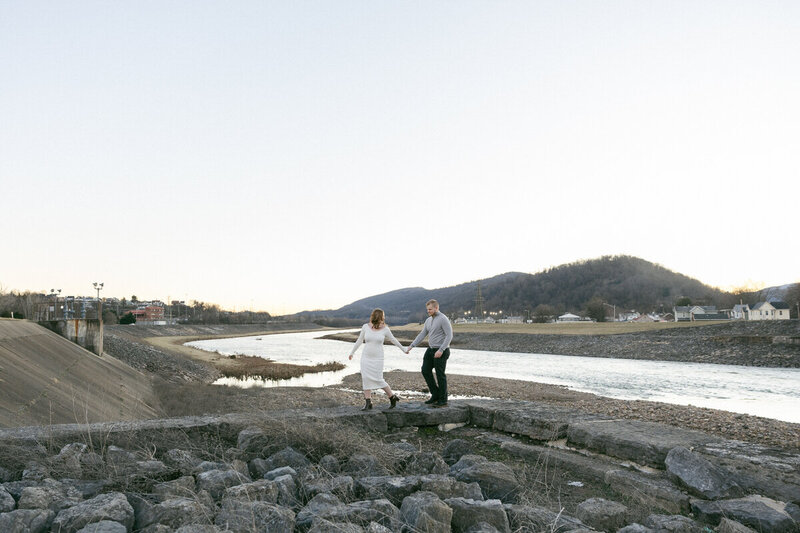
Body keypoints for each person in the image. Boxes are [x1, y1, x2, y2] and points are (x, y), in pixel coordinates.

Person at [348, 308, 406, 411]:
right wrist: (352, 352)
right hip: (366, 357)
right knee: (366, 378)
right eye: (380, 317)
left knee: (379, 379)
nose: (381, 319)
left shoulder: (385, 329)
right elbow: (359, 340)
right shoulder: (365, 327)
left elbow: (394, 340)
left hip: (378, 358)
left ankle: (392, 397)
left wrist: (404, 349)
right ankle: (368, 402)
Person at [406, 299, 453, 407]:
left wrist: (441, 350)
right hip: (430, 349)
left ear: (436, 308)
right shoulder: (428, 320)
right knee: (425, 370)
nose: (428, 311)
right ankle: (435, 394)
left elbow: (449, 336)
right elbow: (422, 334)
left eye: (430, 309)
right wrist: (412, 345)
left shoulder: (443, 319)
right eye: (427, 309)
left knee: (440, 375)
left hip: (442, 350)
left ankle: (443, 399)